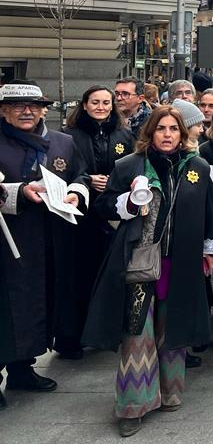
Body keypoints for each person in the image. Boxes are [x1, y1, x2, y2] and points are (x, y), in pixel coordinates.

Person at [82, 106, 213, 437]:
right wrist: (129, 203)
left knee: (172, 329)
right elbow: (102, 207)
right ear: (150, 132)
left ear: (183, 133)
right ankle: (133, 405)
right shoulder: (129, 165)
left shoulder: (198, 167)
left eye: (174, 128)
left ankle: (170, 391)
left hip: (182, 261)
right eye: (161, 128)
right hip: (139, 261)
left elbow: (209, 209)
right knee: (136, 333)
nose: (168, 134)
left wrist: (210, 249)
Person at [0, 82, 86, 407]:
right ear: (4, 110)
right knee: (6, 308)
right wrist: (18, 193)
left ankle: (23, 368)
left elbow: (81, 175)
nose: (27, 111)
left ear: (44, 110)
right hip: (7, 241)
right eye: (19, 105)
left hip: (49, 239)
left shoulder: (62, 142)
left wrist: (77, 192)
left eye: (34, 105)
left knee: (39, 302)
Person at [61, 85, 136, 359]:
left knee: (108, 274)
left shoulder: (123, 134)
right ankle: (71, 337)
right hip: (80, 214)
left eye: (106, 102)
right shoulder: (69, 135)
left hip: (112, 213)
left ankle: (104, 331)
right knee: (77, 276)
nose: (101, 107)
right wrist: (87, 180)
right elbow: (66, 167)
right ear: (84, 104)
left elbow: (132, 165)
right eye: (95, 102)